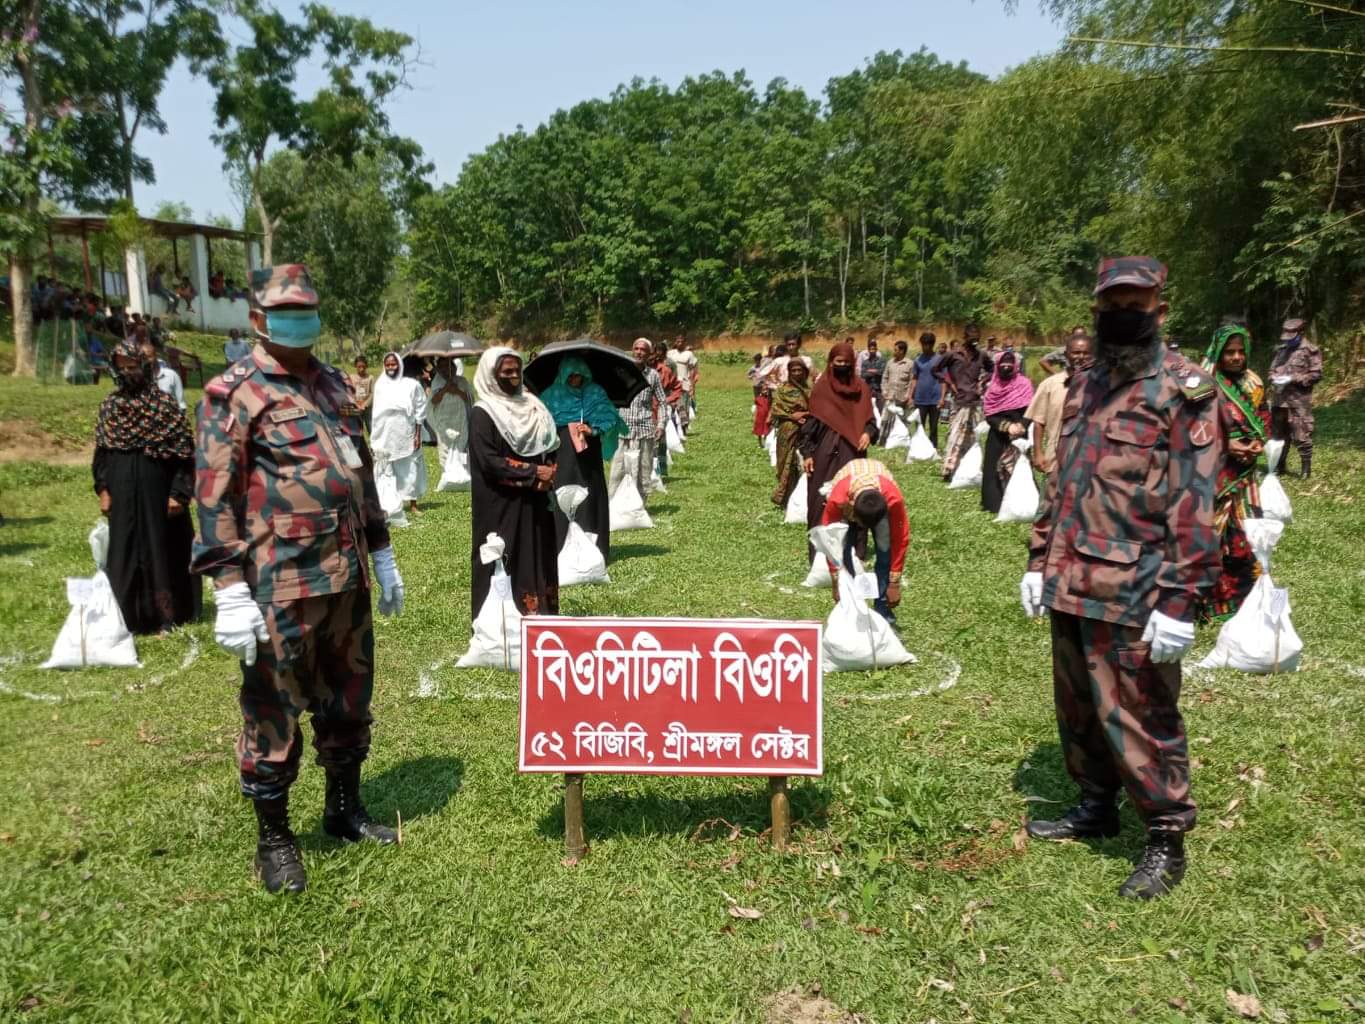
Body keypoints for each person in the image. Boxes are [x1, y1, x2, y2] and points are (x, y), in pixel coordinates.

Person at [193, 264, 404, 895]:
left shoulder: (335, 386)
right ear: (257, 318)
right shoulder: (234, 393)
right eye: (285, 309)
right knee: (273, 711)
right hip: (277, 584)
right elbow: (214, 496)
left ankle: (343, 809)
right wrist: (227, 587)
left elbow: (357, 473)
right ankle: (275, 840)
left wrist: (383, 550)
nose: (299, 319)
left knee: (348, 702)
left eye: (307, 307)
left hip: (346, 576)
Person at [1020, 256, 1220, 901]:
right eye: (1113, 305)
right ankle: (1096, 804)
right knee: (1079, 705)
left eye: (1136, 304)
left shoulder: (1185, 389)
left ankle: (1165, 834)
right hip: (1071, 575)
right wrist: (1037, 556)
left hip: (1138, 586)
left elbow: (1195, 500)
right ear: (1096, 311)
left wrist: (1181, 600)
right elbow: (1064, 480)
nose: (1123, 315)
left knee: (1140, 710)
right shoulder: (1085, 384)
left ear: (1160, 309)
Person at [94, 338, 198, 636]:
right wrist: (103, 489)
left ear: (146, 367)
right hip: (122, 496)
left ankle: (166, 616)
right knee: (124, 553)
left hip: (159, 496)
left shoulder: (164, 406)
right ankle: (126, 618)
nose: (127, 373)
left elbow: (184, 455)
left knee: (161, 551)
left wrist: (179, 493)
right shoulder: (110, 407)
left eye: (133, 366)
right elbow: (101, 455)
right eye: (121, 368)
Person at [467, 347, 560, 616]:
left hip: (537, 501)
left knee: (538, 556)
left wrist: (550, 472)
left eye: (517, 371)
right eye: (506, 372)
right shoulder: (483, 414)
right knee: (503, 557)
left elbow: (551, 443)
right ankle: (499, 625)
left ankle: (541, 618)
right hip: (501, 506)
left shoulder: (533, 405)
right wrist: (533, 474)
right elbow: (489, 462)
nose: (514, 376)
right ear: (491, 375)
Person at [1201, 324, 1270, 622]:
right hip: (1213, 475)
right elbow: (1191, 428)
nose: (1236, 357)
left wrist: (1257, 442)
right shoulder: (1203, 384)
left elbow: (1263, 419)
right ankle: (1202, 600)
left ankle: (1244, 599)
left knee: (1245, 538)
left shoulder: (1253, 384)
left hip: (1245, 479)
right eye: (1229, 352)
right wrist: (1226, 444)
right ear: (1217, 352)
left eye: (1241, 352)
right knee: (1210, 536)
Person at [799, 342, 876, 561]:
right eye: (837, 363)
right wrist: (807, 454)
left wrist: (867, 433)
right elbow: (810, 426)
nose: (842, 367)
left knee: (855, 500)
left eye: (846, 363)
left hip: (852, 454)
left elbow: (870, 421)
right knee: (820, 501)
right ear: (831, 363)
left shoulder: (861, 388)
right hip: (824, 454)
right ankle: (820, 554)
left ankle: (856, 552)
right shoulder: (822, 388)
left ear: (852, 365)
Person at [540, 355, 619, 561]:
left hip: (589, 454)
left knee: (590, 492)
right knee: (564, 493)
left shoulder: (595, 392)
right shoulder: (551, 395)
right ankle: (562, 545)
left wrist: (592, 429)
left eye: (580, 375)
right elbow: (542, 422)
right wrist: (563, 427)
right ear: (564, 375)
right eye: (572, 376)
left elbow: (609, 416)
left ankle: (595, 545)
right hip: (563, 451)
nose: (576, 380)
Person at [818, 458, 910, 625]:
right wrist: (836, 581)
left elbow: (900, 538)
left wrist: (894, 582)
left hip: (877, 495)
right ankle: (850, 608)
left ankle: (883, 614)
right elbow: (830, 540)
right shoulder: (838, 499)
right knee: (844, 553)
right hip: (849, 496)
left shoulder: (893, 499)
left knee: (884, 552)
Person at [608, 338, 668, 503]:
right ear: (632, 350)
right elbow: (610, 399)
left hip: (644, 429)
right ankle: (614, 505)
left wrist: (661, 425)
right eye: (636, 349)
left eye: (643, 350)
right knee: (618, 470)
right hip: (622, 430)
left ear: (649, 354)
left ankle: (640, 507)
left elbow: (663, 402)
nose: (639, 352)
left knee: (643, 470)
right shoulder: (621, 373)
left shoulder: (653, 375)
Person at [370, 351, 429, 518]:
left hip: (406, 432)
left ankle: (413, 504)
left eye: (393, 364)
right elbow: (375, 414)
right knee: (386, 468)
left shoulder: (412, 385)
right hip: (385, 433)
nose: (390, 367)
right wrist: (375, 438)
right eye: (387, 364)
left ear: (400, 365)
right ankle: (390, 503)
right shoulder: (380, 385)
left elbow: (419, 411)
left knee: (411, 467)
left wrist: (417, 434)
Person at [1026, 333, 1092, 477]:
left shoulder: (1100, 385)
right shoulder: (1050, 385)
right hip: (1056, 458)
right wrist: (1038, 453)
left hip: (1089, 460)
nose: (1080, 357)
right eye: (1076, 353)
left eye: (1086, 353)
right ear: (1066, 355)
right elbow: (1038, 421)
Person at [980, 351, 1034, 514]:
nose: (1006, 366)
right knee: (993, 467)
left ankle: (1021, 502)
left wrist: (1022, 425)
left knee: (1019, 465)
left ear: (1015, 365)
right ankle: (994, 504)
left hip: (1019, 431)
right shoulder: (992, 387)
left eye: (1010, 363)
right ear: (997, 365)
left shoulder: (1024, 384)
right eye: (1002, 363)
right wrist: (1006, 426)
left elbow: (1031, 408)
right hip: (998, 432)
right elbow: (989, 414)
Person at [1268, 317, 1322, 479]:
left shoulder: (1310, 351)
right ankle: (1280, 465)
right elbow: (1271, 371)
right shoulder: (1281, 350)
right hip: (1279, 399)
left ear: (1301, 333)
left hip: (1299, 400)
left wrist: (1293, 378)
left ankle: (1306, 469)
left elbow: (1316, 374)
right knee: (1279, 434)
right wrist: (1274, 378)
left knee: (1301, 433)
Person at [939, 327, 993, 481]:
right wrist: (950, 383)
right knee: (954, 436)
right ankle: (948, 469)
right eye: (972, 337)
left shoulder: (981, 355)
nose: (975, 340)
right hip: (958, 402)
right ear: (965, 337)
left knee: (971, 437)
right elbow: (936, 370)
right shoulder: (953, 354)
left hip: (974, 403)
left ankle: (966, 469)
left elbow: (992, 369)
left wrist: (982, 381)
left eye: (977, 337)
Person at [769, 357, 812, 508]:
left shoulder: (809, 391)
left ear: (804, 372)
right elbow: (775, 409)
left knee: (800, 463)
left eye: (799, 370)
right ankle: (784, 497)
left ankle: (800, 500)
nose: (796, 373)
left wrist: (805, 414)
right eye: (793, 370)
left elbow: (817, 409)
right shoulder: (782, 390)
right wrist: (791, 416)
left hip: (805, 431)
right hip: (787, 431)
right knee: (784, 464)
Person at [427, 356, 474, 467]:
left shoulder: (462, 381)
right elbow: (433, 402)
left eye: (448, 365)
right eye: (442, 366)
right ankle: (448, 477)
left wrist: (456, 390)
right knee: (446, 454)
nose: (446, 369)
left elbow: (469, 399)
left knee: (462, 452)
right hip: (444, 425)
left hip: (460, 423)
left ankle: (463, 476)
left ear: (453, 367)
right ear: (438, 369)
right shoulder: (436, 382)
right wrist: (444, 389)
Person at [910, 333, 945, 449]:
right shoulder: (918, 360)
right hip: (920, 398)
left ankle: (933, 448)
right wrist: (911, 395)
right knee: (919, 425)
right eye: (923, 345)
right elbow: (915, 378)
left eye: (927, 345)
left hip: (935, 398)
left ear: (932, 345)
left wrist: (942, 397)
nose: (925, 347)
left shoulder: (939, 360)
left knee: (934, 427)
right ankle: (919, 447)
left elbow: (943, 380)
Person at [878, 339, 914, 444]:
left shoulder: (910, 364)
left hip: (902, 398)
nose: (894, 352)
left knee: (902, 420)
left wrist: (908, 396)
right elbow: (885, 377)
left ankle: (901, 442)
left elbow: (912, 381)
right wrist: (884, 391)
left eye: (895, 350)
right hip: (890, 397)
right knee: (885, 420)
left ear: (902, 351)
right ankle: (883, 440)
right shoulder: (890, 362)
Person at [667, 335, 698, 433]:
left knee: (684, 405)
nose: (679, 343)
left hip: (684, 383)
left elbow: (692, 370)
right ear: (675, 342)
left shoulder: (689, 354)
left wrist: (692, 385)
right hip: (672, 383)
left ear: (685, 343)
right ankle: (675, 427)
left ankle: (684, 426)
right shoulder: (671, 353)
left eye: (681, 341)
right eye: (678, 341)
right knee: (673, 405)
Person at [348, 355, 374, 428]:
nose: (361, 369)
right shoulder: (351, 377)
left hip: (367, 408)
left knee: (371, 426)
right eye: (359, 367)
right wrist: (356, 404)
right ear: (355, 366)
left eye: (363, 367)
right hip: (355, 407)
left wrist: (365, 404)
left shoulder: (370, 378)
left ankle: (373, 439)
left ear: (366, 366)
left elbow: (372, 393)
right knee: (357, 428)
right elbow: (349, 392)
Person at [858, 337, 886, 404]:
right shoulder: (865, 362)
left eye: (873, 349)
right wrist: (876, 371)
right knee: (868, 409)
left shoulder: (881, 360)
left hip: (878, 389)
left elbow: (882, 372)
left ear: (876, 349)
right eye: (870, 349)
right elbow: (863, 375)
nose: (872, 351)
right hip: (868, 389)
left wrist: (872, 371)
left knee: (880, 409)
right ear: (868, 350)